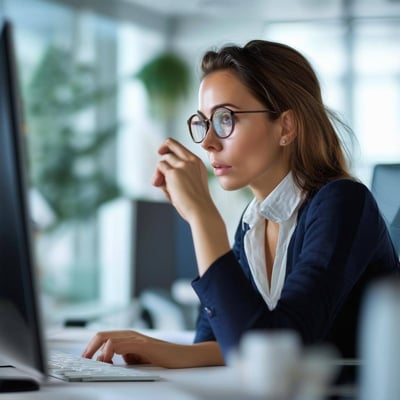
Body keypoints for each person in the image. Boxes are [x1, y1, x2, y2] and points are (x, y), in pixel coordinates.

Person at [82, 40, 400, 369]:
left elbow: (279, 348)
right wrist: (151, 347)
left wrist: (202, 218)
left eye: (225, 119)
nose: (207, 142)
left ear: (286, 127)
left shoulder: (343, 203)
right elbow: (224, 337)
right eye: (204, 122)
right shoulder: (253, 223)